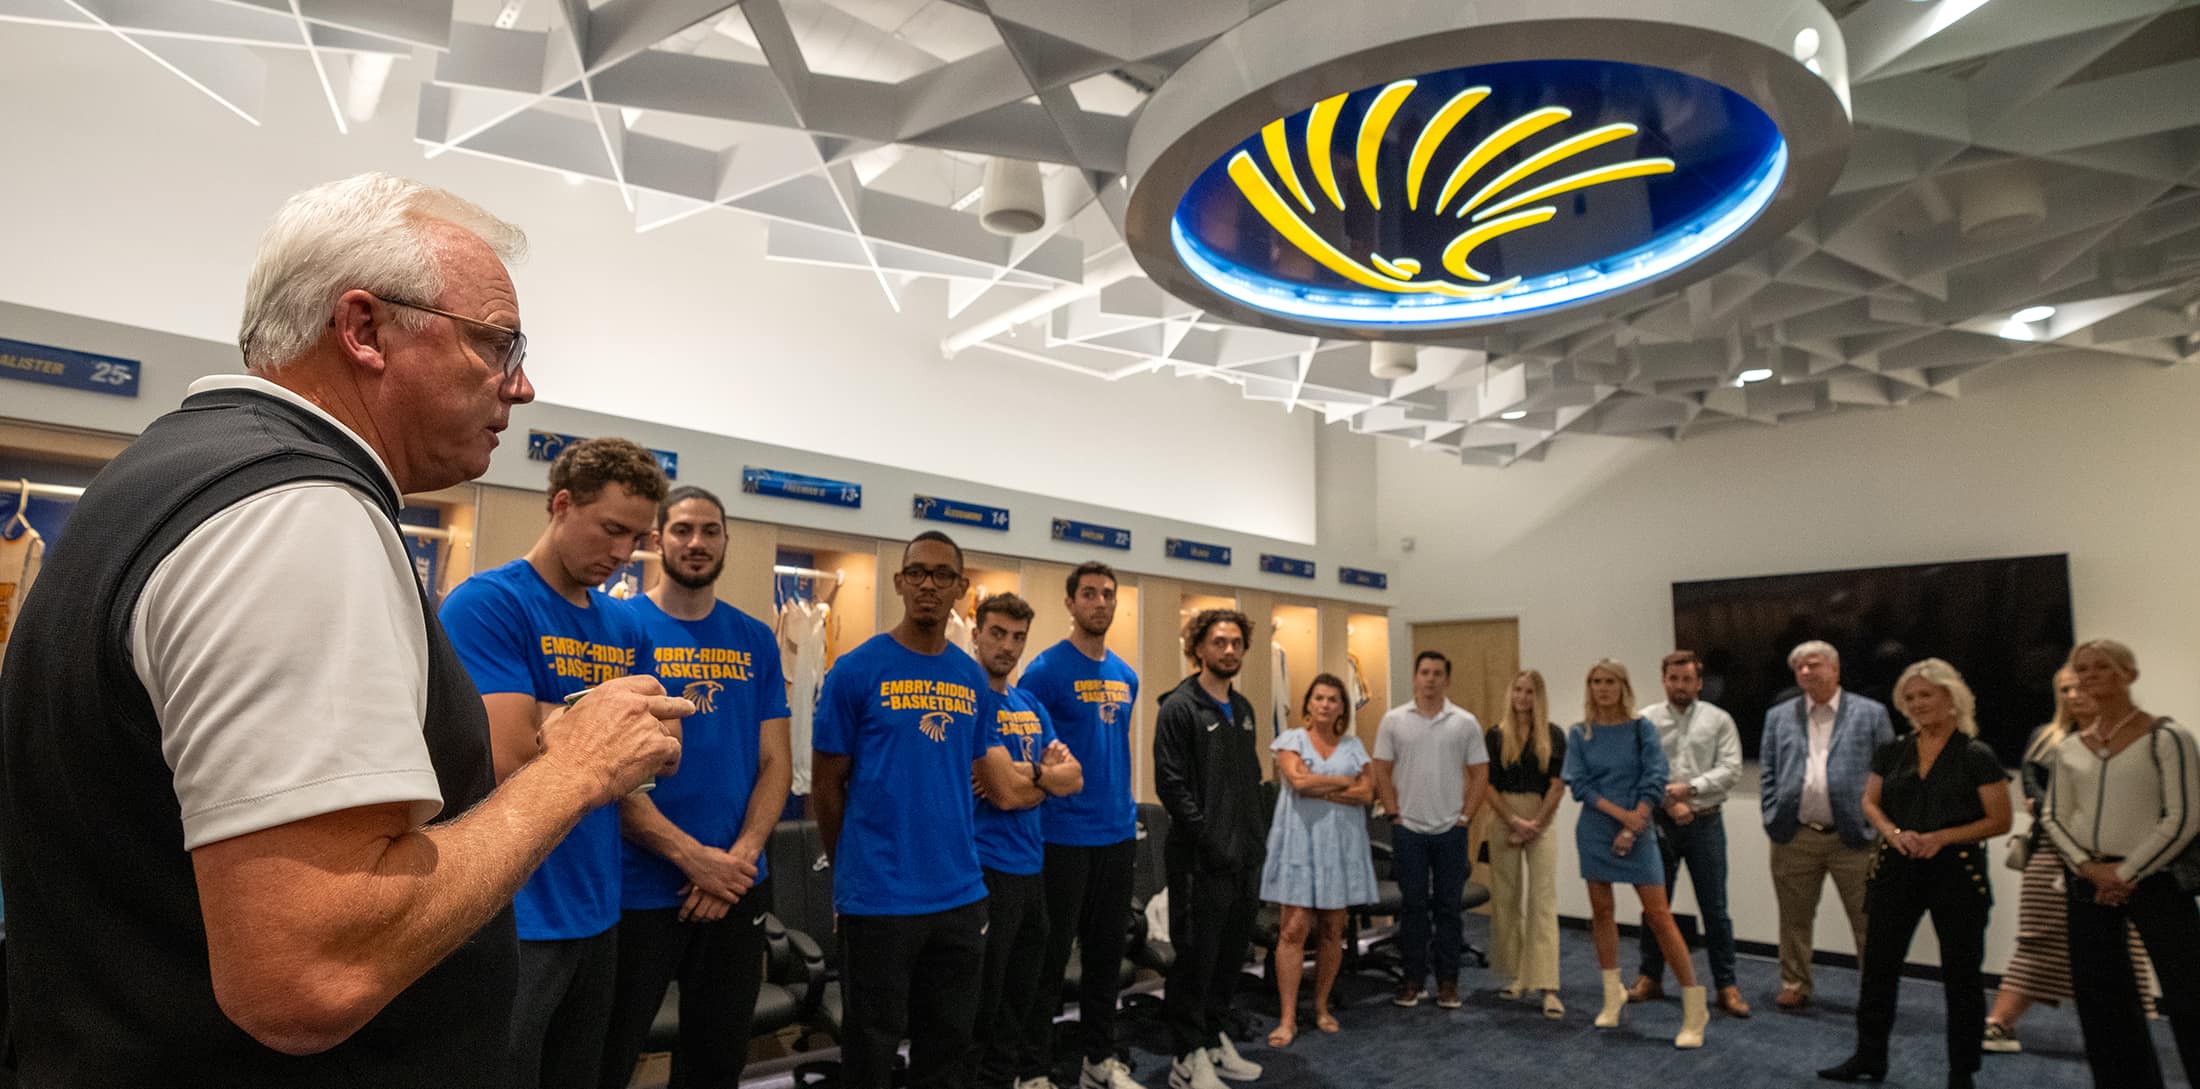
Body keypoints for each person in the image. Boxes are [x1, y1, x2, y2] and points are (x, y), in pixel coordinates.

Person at [0, 173, 686, 1087]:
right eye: (495, 343)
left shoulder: (164, 476)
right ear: (363, 329)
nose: (521, 385)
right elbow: (309, 970)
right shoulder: (295, 513)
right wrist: (575, 771)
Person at [440, 436, 671, 1089]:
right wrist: (605, 727)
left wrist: (557, 716)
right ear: (562, 503)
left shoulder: (624, 627)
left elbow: (653, 756)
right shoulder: (488, 604)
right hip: (517, 911)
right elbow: (510, 751)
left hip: (599, 906)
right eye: (611, 530)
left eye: (637, 539)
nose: (624, 554)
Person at [597, 486, 792, 1089]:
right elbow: (604, 770)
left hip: (734, 888)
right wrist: (690, 857)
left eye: (710, 531)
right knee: (610, 1058)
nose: (696, 543)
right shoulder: (620, 625)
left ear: (727, 541)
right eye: (682, 530)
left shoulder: (755, 636)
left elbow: (776, 763)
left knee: (717, 1061)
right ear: (657, 540)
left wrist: (737, 860)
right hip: (642, 889)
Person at [812, 531, 1010, 1089]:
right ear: (899, 582)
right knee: (870, 1052)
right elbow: (826, 788)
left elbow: (965, 778)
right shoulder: (854, 671)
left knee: (946, 1053)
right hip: (878, 898)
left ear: (961, 589)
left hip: (960, 897)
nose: (928, 584)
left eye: (942, 575)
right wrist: (850, 872)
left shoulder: (972, 678)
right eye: (917, 572)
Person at [1817, 659, 2011, 1089]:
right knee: (1879, 968)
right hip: (1896, 868)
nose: (1918, 703)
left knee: (1962, 975)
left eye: (1927, 694)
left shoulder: (1976, 754)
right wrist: (1893, 833)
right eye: (1911, 697)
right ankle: (1869, 1057)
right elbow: (1871, 802)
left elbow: (2000, 820)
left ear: (1951, 698)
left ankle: (1962, 1071)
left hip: (1957, 873)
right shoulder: (1894, 750)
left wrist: (1942, 837)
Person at [2038, 639, 2200, 1089]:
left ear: (2128, 674)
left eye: (2101, 667)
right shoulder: (2070, 747)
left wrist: (2125, 873)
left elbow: (2184, 816)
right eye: (2082, 668)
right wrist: (2089, 869)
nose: (2089, 676)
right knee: (2102, 1001)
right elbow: (2051, 816)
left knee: (2189, 994)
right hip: (2087, 883)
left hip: (2159, 882)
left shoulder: (2168, 738)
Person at [1984, 665, 2157, 1053]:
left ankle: (2123, 1034)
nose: (2074, 696)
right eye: (2064, 689)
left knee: (2122, 943)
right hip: (2051, 852)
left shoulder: (2135, 738)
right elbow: (2035, 791)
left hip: (2118, 857)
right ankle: (2000, 1023)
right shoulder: (2045, 738)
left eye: (2080, 687)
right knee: (2039, 937)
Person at [1019, 562, 1142, 1089]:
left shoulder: (1127, 675)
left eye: (1108, 595)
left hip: (1117, 835)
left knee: (1105, 959)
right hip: (1061, 837)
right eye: (1089, 594)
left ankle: (1099, 1058)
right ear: (1070, 603)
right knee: (1047, 964)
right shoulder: (1044, 672)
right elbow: (1030, 757)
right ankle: (1033, 1070)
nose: (1100, 603)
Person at [968, 592, 1085, 1089]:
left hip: (1030, 868)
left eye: (1018, 637)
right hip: (984, 869)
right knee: (983, 1004)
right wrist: (1040, 779)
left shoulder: (1030, 703)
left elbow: (1075, 777)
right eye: (997, 633)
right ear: (975, 634)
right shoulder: (968, 699)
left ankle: (1011, 1078)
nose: (1008, 646)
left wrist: (1029, 773)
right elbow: (1004, 795)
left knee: (1023, 995)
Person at [1565, 659, 1708, 1048]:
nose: (1603, 688)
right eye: (1595, 681)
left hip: (1639, 830)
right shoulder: (1581, 733)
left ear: (1623, 686)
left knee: (1659, 916)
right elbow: (1579, 785)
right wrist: (1618, 815)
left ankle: (1695, 1010)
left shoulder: (1641, 728)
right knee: (1602, 912)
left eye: (1610, 681)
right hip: (1596, 830)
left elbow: (1655, 777)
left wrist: (1633, 823)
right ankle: (1612, 997)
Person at [1154, 609, 1267, 1089]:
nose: (1229, 650)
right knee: (1195, 960)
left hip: (1243, 860)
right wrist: (1212, 840)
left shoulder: (1242, 710)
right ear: (1198, 648)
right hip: (1199, 862)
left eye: (1237, 642)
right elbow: (1172, 787)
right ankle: (1187, 1055)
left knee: (1228, 958)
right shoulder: (1179, 708)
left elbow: (1248, 782)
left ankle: (1215, 1038)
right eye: (1219, 641)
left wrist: (1251, 843)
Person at [1760, 639, 1896, 1011]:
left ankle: (1875, 990)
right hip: (1795, 834)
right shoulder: (1779, 716)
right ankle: (1795, 983)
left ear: (1835, 670)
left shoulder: (1871, 713)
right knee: (1794, 919)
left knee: (1869, 921)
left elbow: (1889, 772)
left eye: (1814, 664)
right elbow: (1768, 769)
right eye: (1799, 666)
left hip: (1855, 837)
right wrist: (1772, 811)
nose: (1806, 672)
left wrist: (1880, 823)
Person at [1260, 674, 1377, 1047]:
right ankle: (1288, 1017)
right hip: (1299, 843)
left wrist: (1325, 784)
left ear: (1342, 707)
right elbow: (1298, 783)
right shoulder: (1291, 740)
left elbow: (1367, 793)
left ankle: (1322, 1006)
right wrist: (1344, 782)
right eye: (1319, 698)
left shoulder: (1354, 745)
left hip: (1340, 847)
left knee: (1332, 930)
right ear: (1308, 704)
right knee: (1292, 930)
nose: (1325, 705)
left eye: (1333, 699)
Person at [1631, 651, 1750, 1018]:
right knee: (1655, 907)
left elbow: (1730, 769)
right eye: (1673, 679)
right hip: (1659, 825)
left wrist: (1689, 790)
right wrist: (1669, 802)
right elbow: (1638, 769)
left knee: (1715, 909)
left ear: (1698, 683)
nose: (1680, 686)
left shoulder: (1719, 720)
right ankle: (1649, 978)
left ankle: (1726, 986)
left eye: (1687, 680)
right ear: (1664, 679)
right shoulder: (1645, 720)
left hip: (1706, 824)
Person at [1370, 651, 1489, 1009]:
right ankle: (1412, 981)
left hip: (1450, 829)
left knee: (1449, 909)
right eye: (1425, 672)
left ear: (1447, 680)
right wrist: (1393, 813)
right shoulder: (1394, 721)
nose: (1430, 679)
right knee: (1413, 909)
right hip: (1409, 831)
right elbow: (1380, 769)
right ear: (1415, 678)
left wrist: (1465, 817)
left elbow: (1481, 774)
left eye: (1438, 673)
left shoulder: (1464, 723)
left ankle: (1448, 983)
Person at [1480, 669, 1566, 1019]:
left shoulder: (1554, 735)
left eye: (1530, 691)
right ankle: (1517, 976)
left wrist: (1535, 825)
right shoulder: (1495, 736)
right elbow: (1487, 786)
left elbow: (1558, 785)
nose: (1522, 697)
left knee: (1542, 901)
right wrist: (1514, 821)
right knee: (1507, 898)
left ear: (1538, 696)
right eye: (1517, 690)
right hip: (1504, 817)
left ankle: (1547, 985)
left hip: (1541, 816)